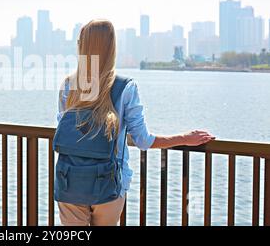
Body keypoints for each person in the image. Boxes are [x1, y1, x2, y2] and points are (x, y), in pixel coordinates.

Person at [54, 20, 215, 226]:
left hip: (69, 183)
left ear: (82, 47)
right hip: (108, 184)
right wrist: (185, 138)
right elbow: (143, 141)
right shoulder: (125, 88)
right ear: (112, 47)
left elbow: (64, 133)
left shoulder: (68, 85)